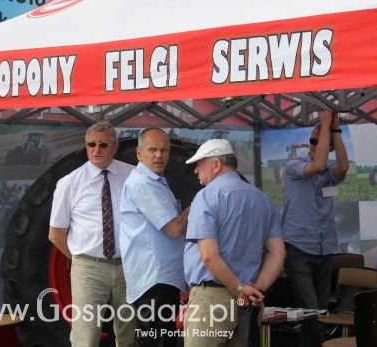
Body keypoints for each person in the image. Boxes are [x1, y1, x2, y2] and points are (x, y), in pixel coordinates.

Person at [183, 139, 286, 347]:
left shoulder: (206, 197)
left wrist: (240, 289)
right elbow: (278, 253)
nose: (196, 171)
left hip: (212, 299)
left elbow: (209, 256)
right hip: (249, 301)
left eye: (199, 164)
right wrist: (256, 290)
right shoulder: (262, 199)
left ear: (216, 164)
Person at [49, 121, 136, 347]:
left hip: (127, 267)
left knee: (129, 335)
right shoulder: (69, 183)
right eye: (91, 144)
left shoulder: (133, 176)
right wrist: (80, 260)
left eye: (103, 144)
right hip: (88, 268)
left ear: (115, 146)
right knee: (85, 337)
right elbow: (56, 234)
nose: (96, 150)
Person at [119, 128, 189, 347]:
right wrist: (197, 207)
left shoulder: (154, 181)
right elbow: (175, 229)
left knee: (160, 339)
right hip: (154, 280)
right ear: (139, 154)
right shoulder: (143, 183)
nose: (159, 155)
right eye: (152, 150)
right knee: (156, 340)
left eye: (163, 150)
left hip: (159, 278)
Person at [282, 109, 349, 311]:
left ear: (329, 148)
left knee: (320, 311)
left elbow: (343, 167)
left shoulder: (328, 172)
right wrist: (326, 124)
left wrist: (335, 130)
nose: (313, 146)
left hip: (324, 249)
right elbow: (317, 165)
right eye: (312, 141)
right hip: (299, 249)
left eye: (319, 142)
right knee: (310, 311)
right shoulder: (293, 165)